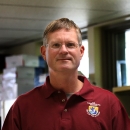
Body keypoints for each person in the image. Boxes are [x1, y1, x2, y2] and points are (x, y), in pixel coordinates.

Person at [2, 18, 130, 130]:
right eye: (56, 45)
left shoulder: (108, 103)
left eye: (70, 45)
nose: (63, 50)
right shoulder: (23, 106)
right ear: (43, 52)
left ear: (81, 51)